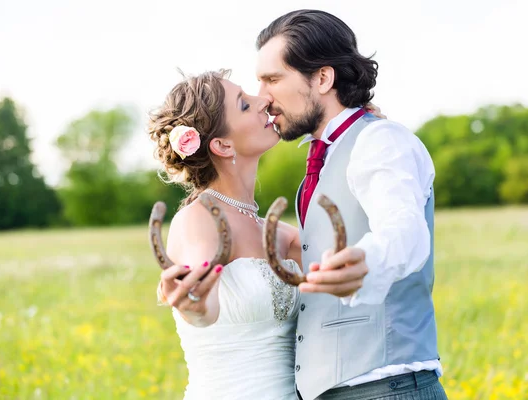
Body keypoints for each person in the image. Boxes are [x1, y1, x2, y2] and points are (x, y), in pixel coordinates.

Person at [255, 9, 447, 400]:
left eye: (273, 79)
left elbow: (404, 230)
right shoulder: (324, 156)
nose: (263, 98)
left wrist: (367, 261)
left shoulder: (381, 141)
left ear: (323, 78)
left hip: (386, 389)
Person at [147, 69, 371, 399]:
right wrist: (192, 305)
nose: (263, 99)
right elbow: (200, 300)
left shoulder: (279, 233)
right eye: (244, 104)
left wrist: (359, 134)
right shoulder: (198, 219)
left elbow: (355, 256)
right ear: (222, 145)